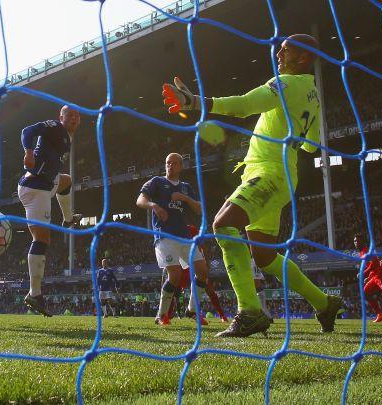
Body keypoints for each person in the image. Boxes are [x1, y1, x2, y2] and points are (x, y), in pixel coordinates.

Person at [162, 34, 343, 337]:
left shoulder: (287, 84)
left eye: (285, 52)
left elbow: (245, 105)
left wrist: (195, 102)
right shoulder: (312, 92)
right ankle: (324, 302)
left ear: (304, 58)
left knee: (222, 225)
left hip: (269, 174)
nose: (278, 56)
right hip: (281, 174)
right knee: (265, 256)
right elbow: (311, 146)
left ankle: (250, 311)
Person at [18, 105, 82, 317]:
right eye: (69, 115)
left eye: (76, 116)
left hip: (48, 182)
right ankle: (34, 294)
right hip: (35, 187)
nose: (73, 118)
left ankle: (68, 219)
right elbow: (27, 131)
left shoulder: (67, 138)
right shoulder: (55, 127)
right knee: (41, 239)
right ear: (60, 117)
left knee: (66, 181)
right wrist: (28, 152)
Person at [137, 153, 209, 326]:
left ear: (180, 166)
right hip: (164, 235)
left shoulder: (185, 187)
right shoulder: (157, 182)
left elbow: (199, 210)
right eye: (168, 163)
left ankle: (192, 311)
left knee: (203, 271)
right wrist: (153, 205)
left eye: (174, 163)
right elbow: (140, 200)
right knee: (175, 275)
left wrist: (184, 198)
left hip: (184, 236)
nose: (170, 166)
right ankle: (161, 315)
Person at [166, 224, 228, 323]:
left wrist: (206, 262)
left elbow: (203, 246)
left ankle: (222, 315)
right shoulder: (171, 229)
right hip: (182, 265)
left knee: (208, 289)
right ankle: (167, 316)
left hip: (196, 263)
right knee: (174, 290)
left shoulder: (192, 229)